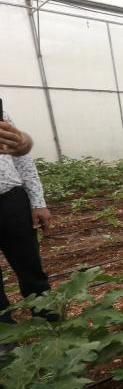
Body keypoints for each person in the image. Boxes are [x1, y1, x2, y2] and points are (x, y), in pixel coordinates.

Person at [0, 109, 55, 355]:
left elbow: (22, 157)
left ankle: (48, 323)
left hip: (13, 202)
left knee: (31, 268)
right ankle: (5, 337)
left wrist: (38, 201)